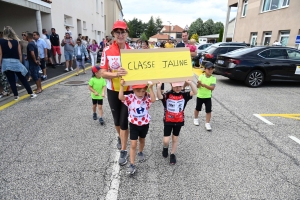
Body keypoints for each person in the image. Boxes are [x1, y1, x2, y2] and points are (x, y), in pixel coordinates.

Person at [100, 20, 132, 166]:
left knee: (124, 121)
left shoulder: (132, 51)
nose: (120, 35)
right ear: (113, 34)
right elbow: (102, 73)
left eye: (123, 32)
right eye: (117, 32)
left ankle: (124, 150)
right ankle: (120, 136)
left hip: (128, 91)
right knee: (117, 121)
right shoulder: (107, 51)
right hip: (113, 90)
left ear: (127, 34)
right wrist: (115, 74)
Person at [119, 80, 156, 175]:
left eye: (143, 91)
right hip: (134, 124)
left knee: (142, 140)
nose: (140, 93)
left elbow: (153, 100)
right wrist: (121, 86)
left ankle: (140, 152)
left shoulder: (147, 97)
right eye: (138, 91)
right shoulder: (130, 98)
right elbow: (121, 97)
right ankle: (132, 164)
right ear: (133, 90)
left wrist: (151, 88)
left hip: (144, 124)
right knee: (133, 144)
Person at [157, 80, 197, 165]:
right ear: (171, 85)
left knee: (175, 138)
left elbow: (195, 92)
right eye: (175, 86)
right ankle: (165, 148)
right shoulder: (167, 94)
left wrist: (190, 83)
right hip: (168, 120)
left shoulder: (184, 94)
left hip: (179, 121)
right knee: (166, 140)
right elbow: (160, 97)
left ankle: (172, 154)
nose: (178, 88)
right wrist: (158, 87)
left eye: (180, 86)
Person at [0, 26, 37, 100]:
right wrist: (19, 62)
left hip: (6, 62)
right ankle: (31, 93)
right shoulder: (16, 41)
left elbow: (0, 54)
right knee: (22, 78)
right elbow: (20, 53)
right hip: (15, 61)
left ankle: (16, 96)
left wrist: (0, 64)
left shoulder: (1, 41)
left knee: (11, 80)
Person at [193, 62, 216, 131]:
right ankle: (196, 118)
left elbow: (212, 88)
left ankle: (207, 123)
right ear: (205, 69)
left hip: (208, 97)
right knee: (197, 108)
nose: (210, 70)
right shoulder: (201, 76)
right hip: (200, 96)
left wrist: (204, 85)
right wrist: (199, 84)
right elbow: (197, 86)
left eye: (212, 69)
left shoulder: (213, 78)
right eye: (209, 69)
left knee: (208, 110)